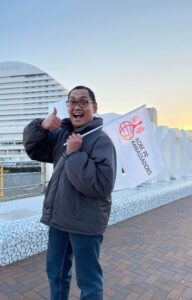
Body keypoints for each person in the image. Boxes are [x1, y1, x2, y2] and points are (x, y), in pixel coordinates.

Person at [23, 86, 117, 300]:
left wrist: (74, 155)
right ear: (67, 107)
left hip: (85, 223)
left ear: (94, 107)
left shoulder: (101, 141)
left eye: (83, 101)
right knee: (55, 274)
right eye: (72, 101)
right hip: (59, 221)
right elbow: (33, 149)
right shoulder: (61, 136)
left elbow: (102, 186)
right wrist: (41, 126)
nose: (77, 106)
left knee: (89, 282)